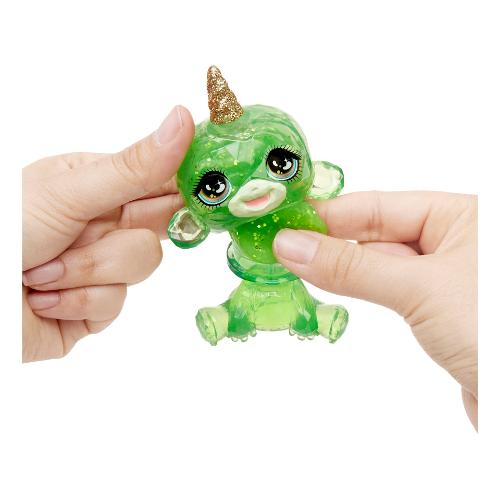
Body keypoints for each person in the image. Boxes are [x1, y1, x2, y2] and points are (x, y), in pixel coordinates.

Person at [22, 106, 478, 429]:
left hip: (295, 280)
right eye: (215, 186)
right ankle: (230, 318)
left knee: (301, 301)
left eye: (279, 163)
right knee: (243, 303)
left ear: (313, 171)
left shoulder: (305, 205)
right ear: (193, 215)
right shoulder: (204, 223)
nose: (255, 188)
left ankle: (314, 316)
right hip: (250, 280)